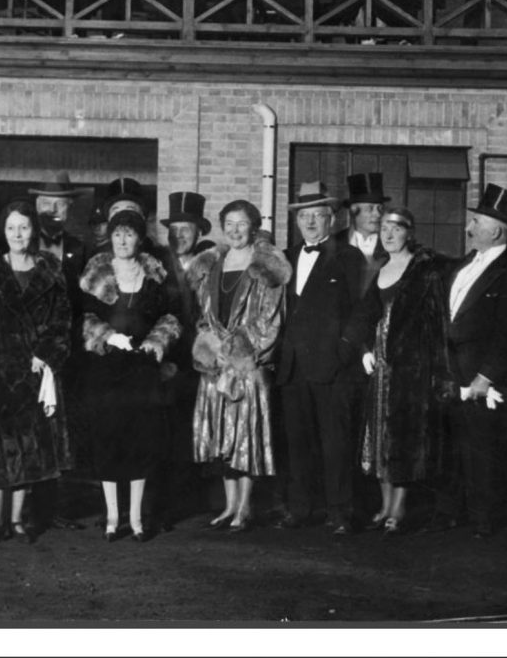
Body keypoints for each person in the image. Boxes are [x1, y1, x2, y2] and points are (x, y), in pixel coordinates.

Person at [0, 199, 73, 545]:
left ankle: (18, 520)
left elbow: (62, 323)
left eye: (23, 227)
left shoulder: (50, 272)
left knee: (29, 448)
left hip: (34, 373)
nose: (17, 234)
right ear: (3, 231)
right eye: (11, 228)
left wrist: (45, 356)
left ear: (34, 231)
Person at [427, 183, 507, 538]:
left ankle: (486, 518)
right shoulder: (462, 264)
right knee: (451, 445)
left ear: (497, 230)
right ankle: (450, 512)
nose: (469, 228)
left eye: (476, 222)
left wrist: (487, 377)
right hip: (450, 370)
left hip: (482, 378)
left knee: (485, 449)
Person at [343, 208, 454, 535]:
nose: (389, 235)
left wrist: (433, 368)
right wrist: (364, 350)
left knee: (402, 436)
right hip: (380, 365)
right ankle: (384, 503)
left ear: (410, 232)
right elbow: (363, 316)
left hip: (411, 367)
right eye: (384, 229)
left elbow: (436, 323)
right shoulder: (376, 267)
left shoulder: (425, 271)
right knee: (379, 434)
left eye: (396, 229)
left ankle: (399, 507)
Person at [80, 209, 182, 541]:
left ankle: (136, 518)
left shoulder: (156, 274)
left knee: (141, 442)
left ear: (140, 238)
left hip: (142, 370)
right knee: (109, 441)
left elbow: (171, 316)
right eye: (118, 234)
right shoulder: (95, 272)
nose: (124, 240)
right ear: (110, 237)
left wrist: (156, 342)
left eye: (130, 234)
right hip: (106, 369)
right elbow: (82, 316)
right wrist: (106, 335)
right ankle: (112, 517)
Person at [189, 200, 289, 533]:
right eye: (228, 223)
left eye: (242, 224)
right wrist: (211, 349)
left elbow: (270, 320)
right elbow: (204, 317)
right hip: (216, 366)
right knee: (222, 439)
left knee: (244, 438)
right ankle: (228, 505)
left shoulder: (266, 265)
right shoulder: (211, 264)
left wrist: (237, 352)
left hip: (247, 367)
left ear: (254, 226)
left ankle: (244, 508)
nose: (234, 230)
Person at [275, 181, 365, 535]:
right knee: (297, 442)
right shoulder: (285, 257)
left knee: (335, 443)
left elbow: (360, 312)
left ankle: (340, 512)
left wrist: (343, 352)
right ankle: (300, 509)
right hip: (292, 366)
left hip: (332, 368)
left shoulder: (348, 257)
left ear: (331, 219)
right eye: (304, 216)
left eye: (317, 215)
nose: (310, 222)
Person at [26, 171, 88, 532]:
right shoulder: (19, 244)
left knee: (59, 431)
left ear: (69, 208)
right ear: (36, 207)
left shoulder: (77, 249)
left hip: (64, 352)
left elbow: (80, 303)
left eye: (59, 204)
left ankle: (55, 507)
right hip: (27, 352)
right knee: (29, 429)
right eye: (46, 204)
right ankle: (27, 510)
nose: (52, 210)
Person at [151, 191, 215, 528]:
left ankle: (193, 499)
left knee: (195, 433)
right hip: (168, 362)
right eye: (173, 229)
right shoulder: (157, 264)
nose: (179, 236)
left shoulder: (213, 263)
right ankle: (163, 506)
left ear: (199, 232)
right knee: (165, 435)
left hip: (201, 363)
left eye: (186, 229)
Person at [335, 172, 389, 296]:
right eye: (370, 208)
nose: (377, 214)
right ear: (354, 211)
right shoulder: (334, 243)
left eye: (380, 209)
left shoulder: (391, 244)